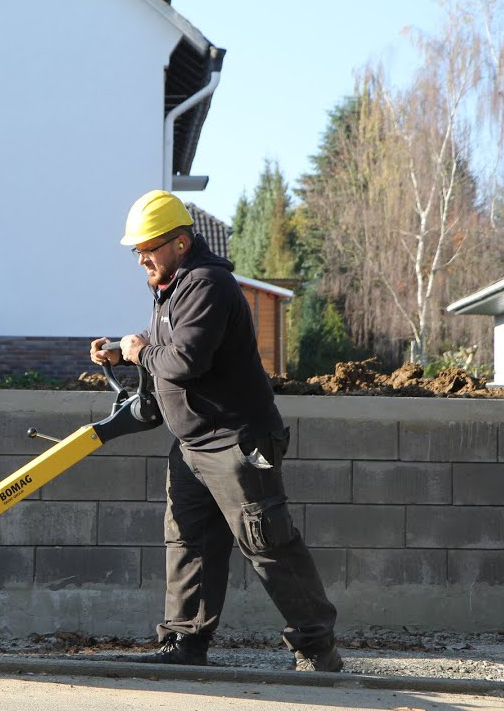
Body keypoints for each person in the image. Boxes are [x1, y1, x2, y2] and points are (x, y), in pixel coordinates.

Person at [89, 189, 342, 672]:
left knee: (267, 544)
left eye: (149, 246)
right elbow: (167, 349)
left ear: (181, 242)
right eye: (137, 249)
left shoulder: (207, 284)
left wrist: (138, 350)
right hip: (192, 445)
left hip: (236, 443)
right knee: (189, 544)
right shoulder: (169, 291)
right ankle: (184, 645)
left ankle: (317, 650)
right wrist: (123, 352)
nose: (140, 257)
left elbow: (184, 360)